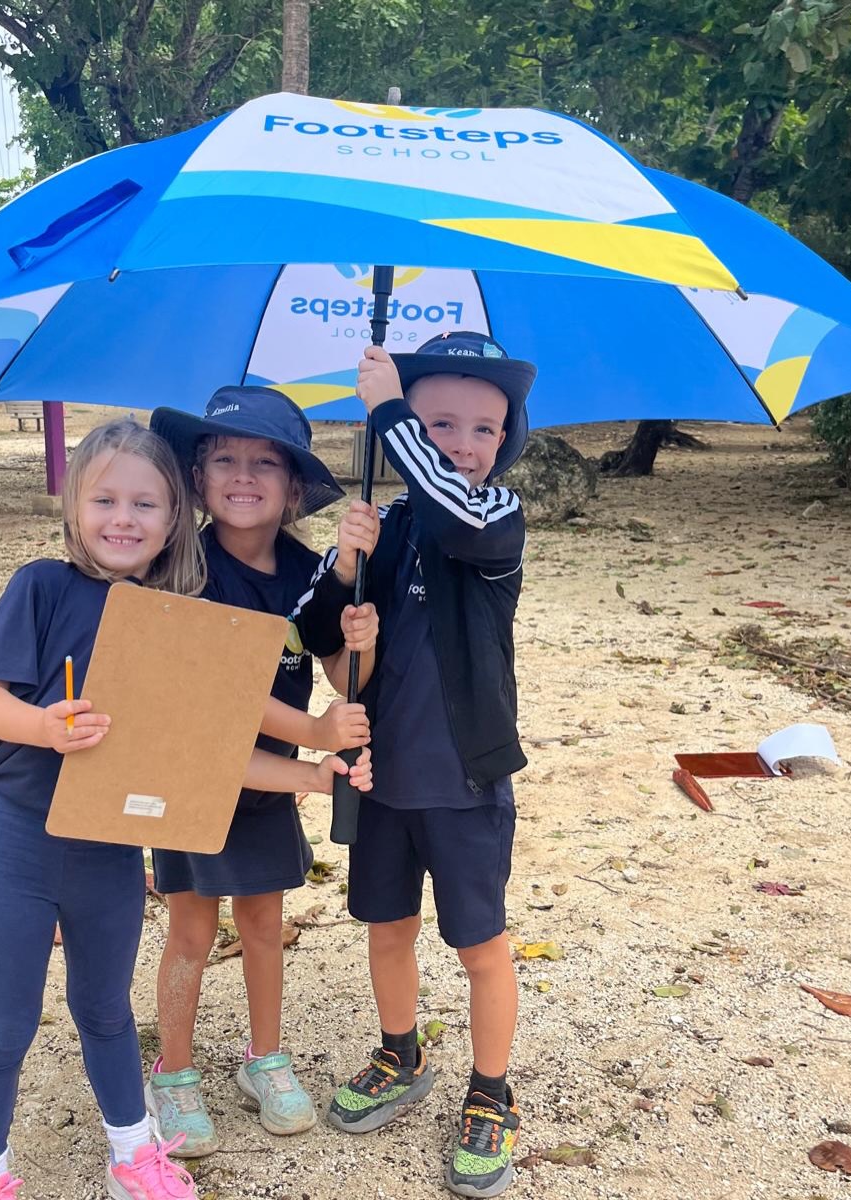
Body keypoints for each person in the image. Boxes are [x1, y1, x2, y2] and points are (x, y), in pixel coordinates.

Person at [0, 417, 370, 1200]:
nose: (123, 519)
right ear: (73, 504)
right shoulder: (40, 585)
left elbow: (215, 738)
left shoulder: (176, 611)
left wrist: (312, 769)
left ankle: (135, 1155)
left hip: (109, 845)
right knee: (5, 1027)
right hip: (19, 839)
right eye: (105, 500)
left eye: (144, 504)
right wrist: (43, 726)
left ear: (176, 515)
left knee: (106, 1011)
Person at [293, 332, 537, 1199]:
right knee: (387, 927)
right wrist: (346, 570)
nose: (463, 444)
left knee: (479, 944)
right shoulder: (388, 526)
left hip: (465, 780)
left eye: (483, 428)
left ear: (504, 442)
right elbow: (310, 630)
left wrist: (391, 406)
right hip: (381, 777)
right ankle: (402, 1053)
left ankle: (492, 1091)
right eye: (441, 424)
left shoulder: (495, 515)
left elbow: (451, 511)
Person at [146, 387, 379, 1156]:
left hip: (268, 780)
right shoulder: (180, 567)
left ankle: (265, 1058)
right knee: (191, 928)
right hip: (192, 775)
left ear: (294, 488)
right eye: (224, 460)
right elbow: (212, 692)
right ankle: (173, 1070)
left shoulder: (316, 573)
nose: (243, 477)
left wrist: (361, 633)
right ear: (197, 477)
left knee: (263, 923)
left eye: (265, 464)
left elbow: (340, 671)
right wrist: (312, 732)